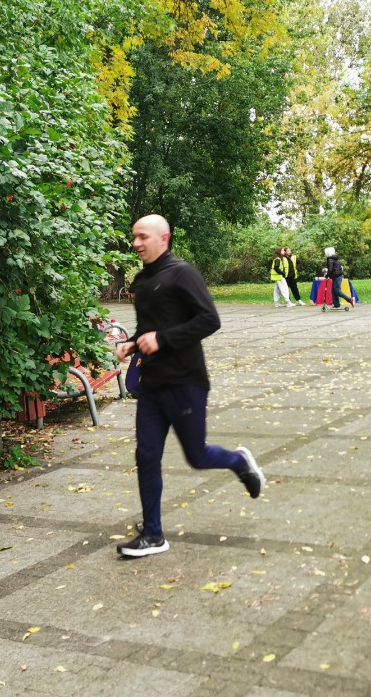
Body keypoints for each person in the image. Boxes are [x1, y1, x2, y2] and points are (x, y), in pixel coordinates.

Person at [114, 214, 265, 558]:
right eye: (134, 237)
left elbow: (209, 320)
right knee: (147, 456)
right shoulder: (142, 279)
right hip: (151, 385)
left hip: (184, 382)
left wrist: (162, 339)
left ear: (163, 239)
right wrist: (132, 343)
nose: (135, 243)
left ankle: (239, 462)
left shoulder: (183, 273)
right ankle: (153, 534)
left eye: (142, 237)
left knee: (197, 457)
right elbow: (150, 327)